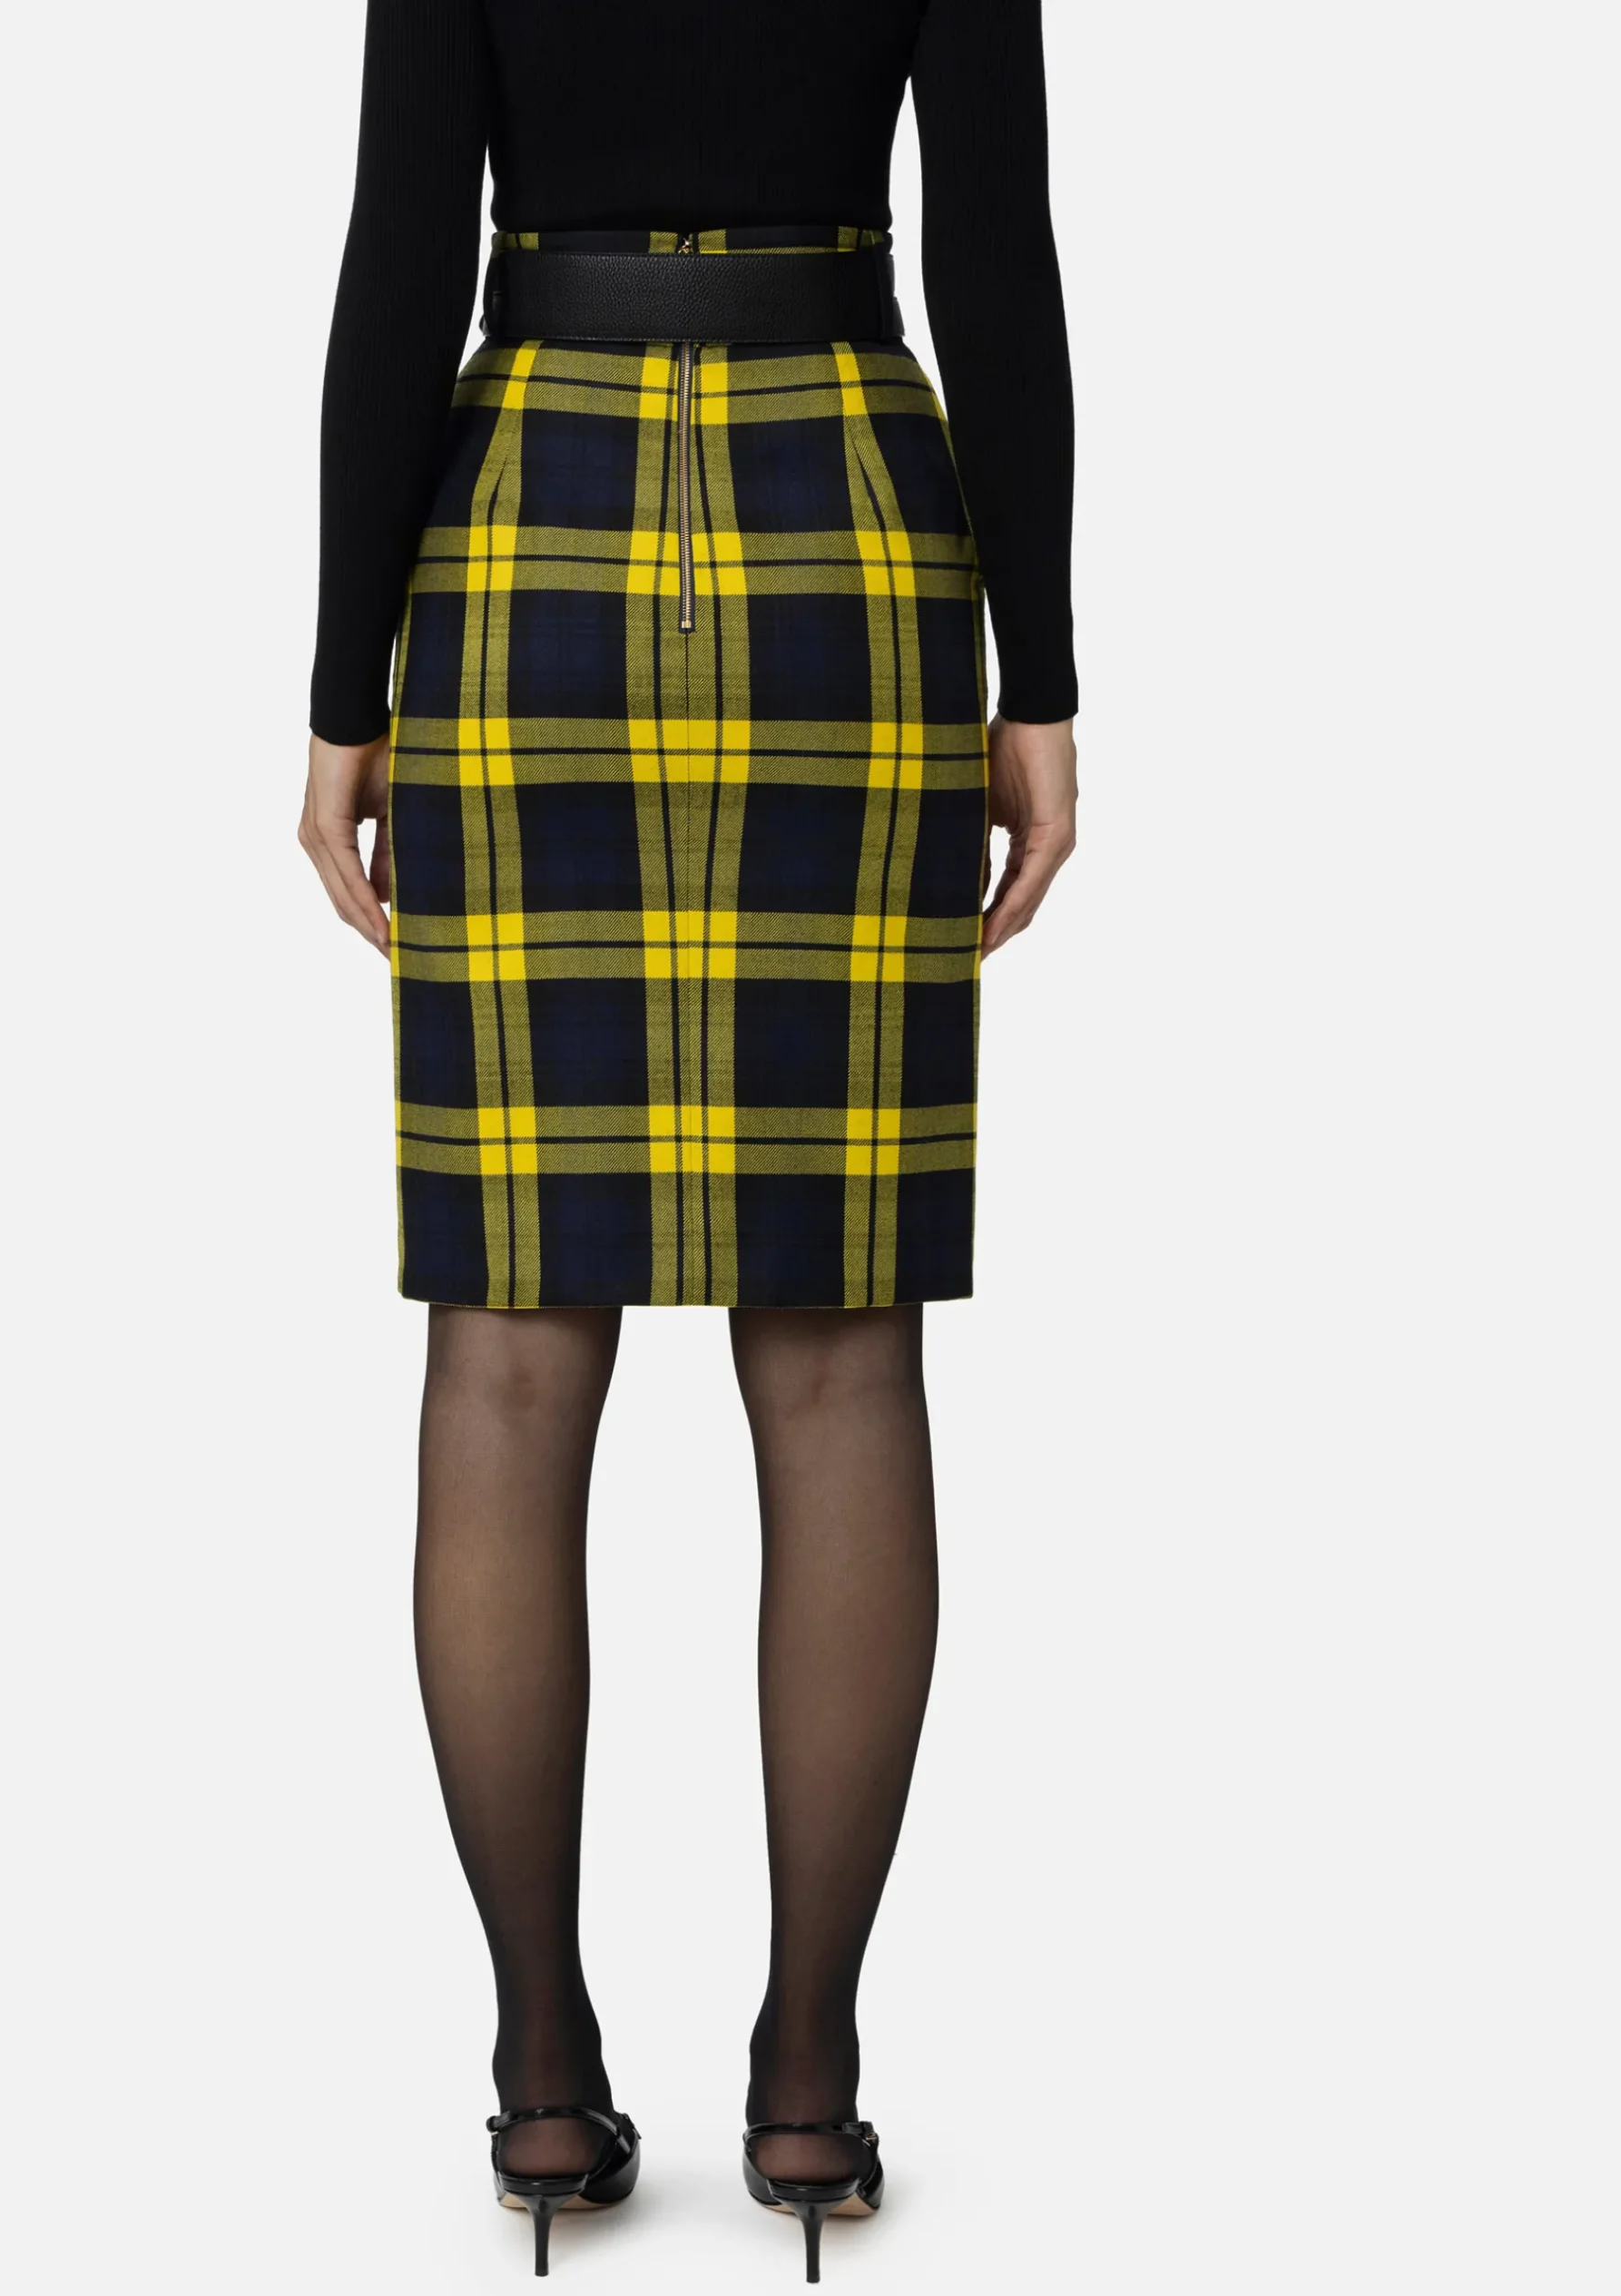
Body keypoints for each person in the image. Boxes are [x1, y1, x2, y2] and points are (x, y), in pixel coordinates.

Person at [297, 0, 1077, 2277]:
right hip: (841, 525)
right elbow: (994, 244)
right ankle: (808, 2084)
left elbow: (401, 245)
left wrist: (342, 692)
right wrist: (1037, 678)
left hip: (524, 524)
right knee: (833, 1346)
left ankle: (543, 2078)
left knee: (506, 1343)